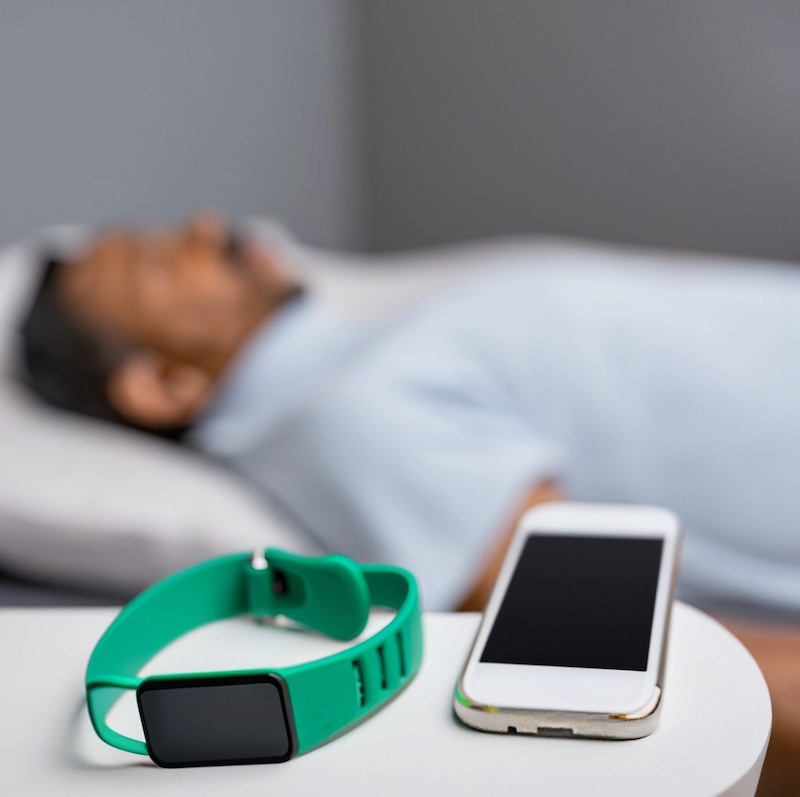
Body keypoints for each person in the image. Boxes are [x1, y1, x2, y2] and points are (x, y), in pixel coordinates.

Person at [19, 213, 800, 614]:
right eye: (158, 261)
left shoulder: (361, 346)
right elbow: (609, 623)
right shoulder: (341, 422)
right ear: (163, 385)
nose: (203, 224)